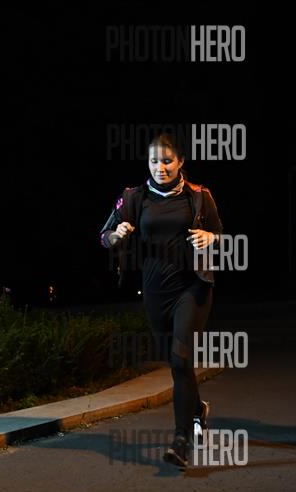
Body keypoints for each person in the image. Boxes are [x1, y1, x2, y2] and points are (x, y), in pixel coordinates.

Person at [100, 133, 223, 467]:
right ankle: (197, 409)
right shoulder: (133, 197)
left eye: (167, 161)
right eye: (155, 161)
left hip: (193, 288)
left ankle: (181, 441)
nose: (161, 167)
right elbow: (103, 236)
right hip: (155, 291)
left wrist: (210, 238)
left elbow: (220, 234)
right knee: (176, 363)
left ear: (180, 162)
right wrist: (116, 235)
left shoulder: (199, 195)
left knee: (181, 359)